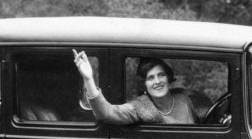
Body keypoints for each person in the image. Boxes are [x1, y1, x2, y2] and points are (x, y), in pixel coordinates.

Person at [73, 51, 202, 124]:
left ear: (168, 79)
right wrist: (89, 79)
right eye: (150, 78)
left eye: (161, 75)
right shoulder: (139, 108)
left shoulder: (185, 99)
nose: (157, 81)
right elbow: (106, 113)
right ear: (144, 85)